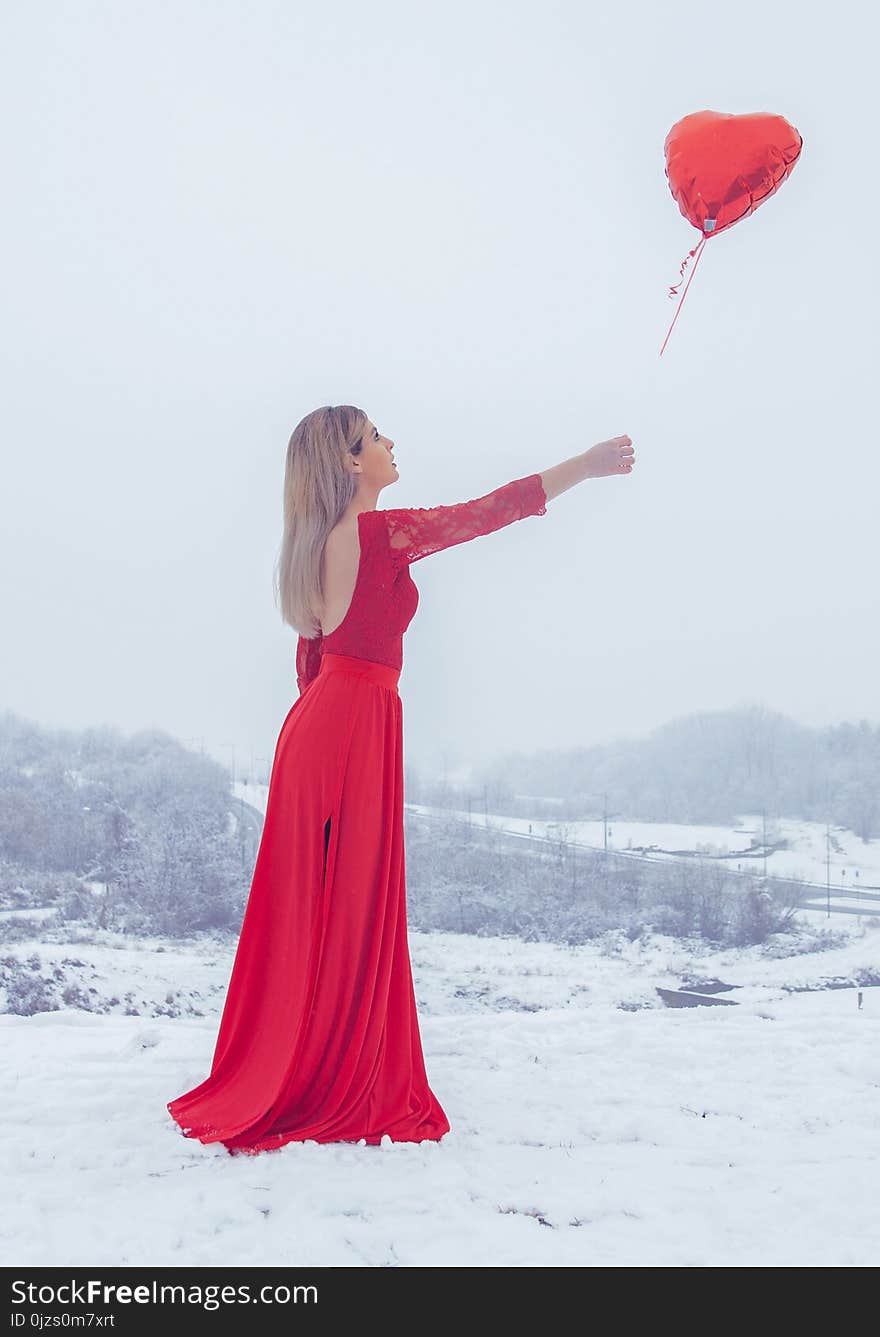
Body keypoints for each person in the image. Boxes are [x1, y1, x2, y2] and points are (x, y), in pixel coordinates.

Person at [167, 405, 634, 1154]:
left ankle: (294, 1067)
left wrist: (320, 745)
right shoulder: (381, 537)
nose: (391, 444)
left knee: (314, 909)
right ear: (352, 463)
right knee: (350, 907)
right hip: (354, 725)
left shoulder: (313, 548)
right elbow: (486, 513)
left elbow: (308, 666)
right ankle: (328, 1080)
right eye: (379, 437)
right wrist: (585, 464)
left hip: (320, 728)